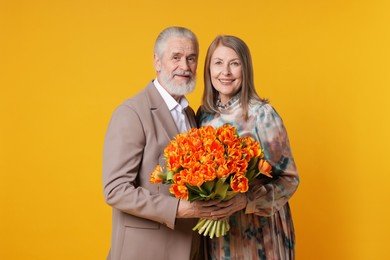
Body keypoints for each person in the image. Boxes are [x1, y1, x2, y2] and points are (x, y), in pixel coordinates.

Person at [103, 26, 219, 260]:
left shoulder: (190, 115)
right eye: (175, 57)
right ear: (157, 61)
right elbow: (115, 190)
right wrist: (177, 209)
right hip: (145, 252)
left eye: (191, 58)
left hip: (191, 249)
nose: (185, 67)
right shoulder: (131, 112)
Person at [197, 35, 300, 259]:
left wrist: (247, 200)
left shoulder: (261, 114)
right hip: (218, 235)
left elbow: (290, 180)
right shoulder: (203, 115)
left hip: (258, 234)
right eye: (218, 63)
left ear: (246, 69)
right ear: (208, 68)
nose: (225, 72)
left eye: (234, 63)